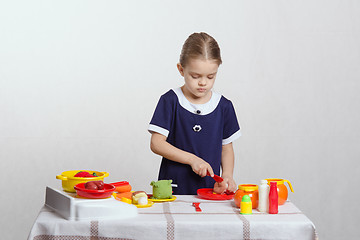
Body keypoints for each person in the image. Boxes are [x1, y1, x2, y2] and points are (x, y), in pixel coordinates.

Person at [148, 32, 241, 195]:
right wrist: (192, 160)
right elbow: (157, 143)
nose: (203, 82)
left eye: (211, 76)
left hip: (210, 189)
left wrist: (227, 176)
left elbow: (226, 148)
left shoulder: (224, 106)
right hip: (173, 189)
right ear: (181, 69)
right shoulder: (170, 101)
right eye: (195, 76)